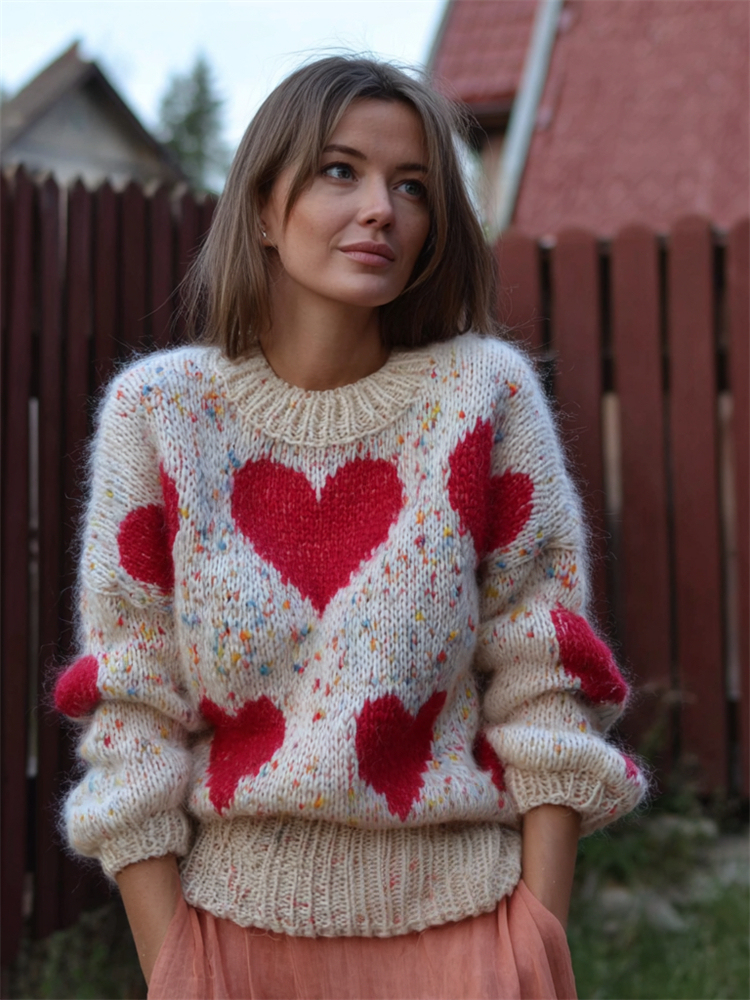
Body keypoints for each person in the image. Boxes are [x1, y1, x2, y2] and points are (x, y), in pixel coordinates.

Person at [55, 56, 646, 1000]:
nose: (381, 208)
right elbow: (131, 704)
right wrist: (176, 966)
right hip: (229, 951)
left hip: (470, 944)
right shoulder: (160, 417)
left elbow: (543, 672)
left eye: (412, 185)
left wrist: (536, 935)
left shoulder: (481, 400)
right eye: (341, 171)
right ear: (260, 207)